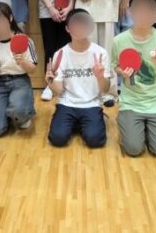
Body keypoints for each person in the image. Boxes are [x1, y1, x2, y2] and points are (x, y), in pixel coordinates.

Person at [112, 0, 156, 158]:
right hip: (131, 102)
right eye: (138, 9)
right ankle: (130, 124)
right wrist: (122, 73)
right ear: (130, 11)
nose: (143, 13)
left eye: (148, 9)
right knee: (133, 149)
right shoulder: (119, 40)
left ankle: (151, 127)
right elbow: (115, 66)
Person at [45, 9, 110, 148]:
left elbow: (105, 89)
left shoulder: (101, 53)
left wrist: (100, 77)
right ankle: (77, 123)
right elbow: (58, 90)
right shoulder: (60, 54)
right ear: (68, 29)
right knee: (57, 138)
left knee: (95, 140)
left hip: (91, 104)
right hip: (67, 103)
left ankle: (85, 123)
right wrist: (50, 81)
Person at [0, 3, 38, 137]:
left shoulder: (24, 40)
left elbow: (33, 69)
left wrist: (23, 62)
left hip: (20, 81)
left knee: (19, 111)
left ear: (10, 18)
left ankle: (20, 112)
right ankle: (5, 111)